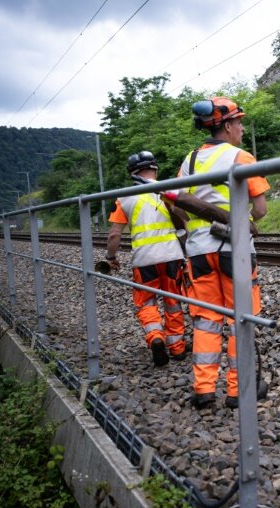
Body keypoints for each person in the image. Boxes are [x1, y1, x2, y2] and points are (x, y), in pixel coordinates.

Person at [166, 96, 270, 410]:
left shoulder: (190, 160)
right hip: (233, 250)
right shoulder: (241, 157)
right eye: (238, 122)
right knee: (241, 317)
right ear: (226, 125)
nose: (241, 128)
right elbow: (261, 210)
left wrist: (195, 226)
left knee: (206, 320)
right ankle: (239, 391)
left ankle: (203, 389)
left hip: (199, 252)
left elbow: (174, 201)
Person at [106, 151, 187, 366]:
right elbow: (184, 218)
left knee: (147, 302)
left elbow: (114, 234)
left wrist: (111, 257)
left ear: (132, 172)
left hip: (144, 260)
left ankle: (156, 337)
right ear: (155, 168)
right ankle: (177, 348)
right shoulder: (168, 190)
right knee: (173, 300)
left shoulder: (124, 197)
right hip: (172, 256)